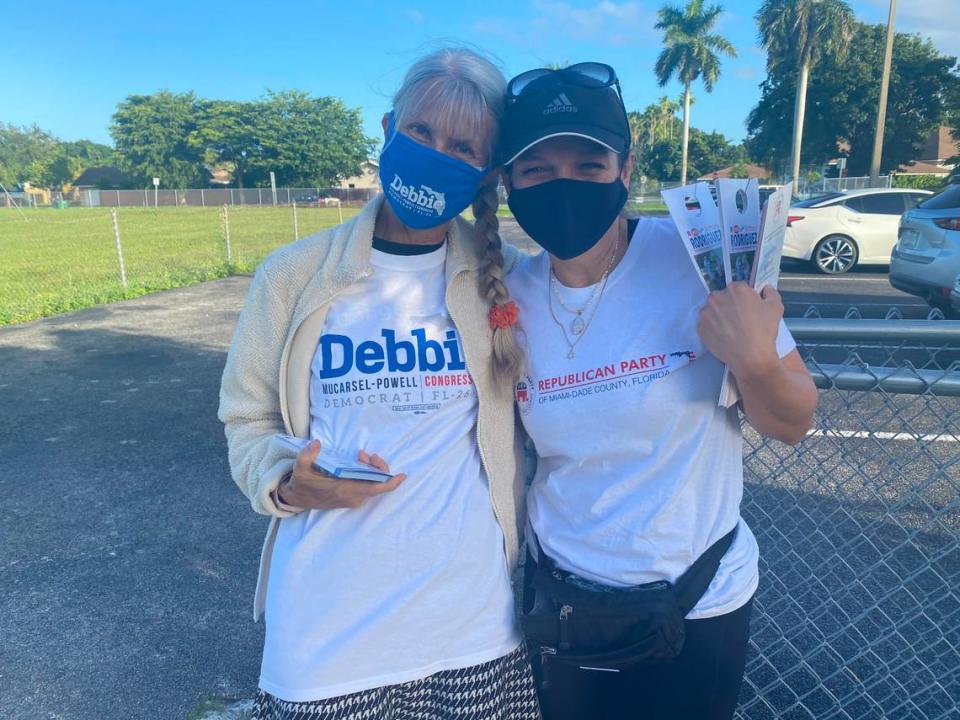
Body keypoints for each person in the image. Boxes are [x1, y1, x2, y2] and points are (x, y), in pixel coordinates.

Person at [218, 47, 539, 720]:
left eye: (462, 145)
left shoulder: (504, 280)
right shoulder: (293, 274)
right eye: (420, 132)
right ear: (389, 128)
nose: (434, 152)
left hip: (474, 628)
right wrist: (284, 481)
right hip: (325, 638)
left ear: (485, 172)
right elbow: (246, 419)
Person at [499, 63, 818, 720]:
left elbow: (793, 421)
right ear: (508, 180)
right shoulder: (506, 294)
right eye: (535, 169)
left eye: (588, 165)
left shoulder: (703, 261)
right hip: (566, 610)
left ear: (625, 168)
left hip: (699, 607)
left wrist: (754, 360)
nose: (562, 184)